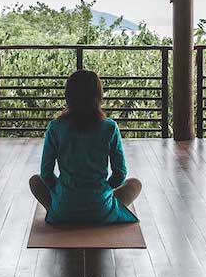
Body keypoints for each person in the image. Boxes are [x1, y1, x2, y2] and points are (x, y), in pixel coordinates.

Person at [29, 69, 142, 224]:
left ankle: (60, 209)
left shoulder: (55, 127)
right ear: (98, 96)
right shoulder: (109, 127)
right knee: (135, 184)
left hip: (65, 206)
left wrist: (61, 191)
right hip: (100, 208)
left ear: (68, 96)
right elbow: (120, 174)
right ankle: (100, 207)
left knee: (35, 181)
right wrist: (104, 189)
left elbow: (46, 174)